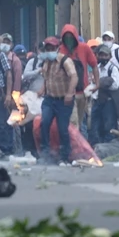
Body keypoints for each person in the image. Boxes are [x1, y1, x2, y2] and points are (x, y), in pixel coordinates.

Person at [37, 36, 77, 164]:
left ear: (58, 48)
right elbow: (47, 79)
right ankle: (45, 152)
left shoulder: (65, 61)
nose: (49, 50)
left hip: (63, 100)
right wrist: (42, 89)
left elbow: (74, 77)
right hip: (50, 99)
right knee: (44, 123)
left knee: (62, 128)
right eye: (47, 48)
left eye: (52, 48)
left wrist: (70, 94)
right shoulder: (46, 63)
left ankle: (65, 155)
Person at [59, 24, 97, 134]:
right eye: (66, 37)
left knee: (80, 121)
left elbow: (94, 65)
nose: (69, 39)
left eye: (71, 37)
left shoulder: (84, 48)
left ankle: (81, 145)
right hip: (68, 93)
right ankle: (75, 148)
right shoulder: (60, 50)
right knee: (73, 122)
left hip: (83, 91)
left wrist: (97, 84)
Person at [90, 45, 119, 144]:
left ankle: (108, 148)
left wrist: (101, 83)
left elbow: (115, 85)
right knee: (95, 126)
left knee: (109, 127)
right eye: (101, 55)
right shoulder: (97, 68)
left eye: (105, 55)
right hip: (96, 101)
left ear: (110, 56)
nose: (103, 57)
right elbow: (92, 84)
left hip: (108, 103)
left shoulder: (113, 69)